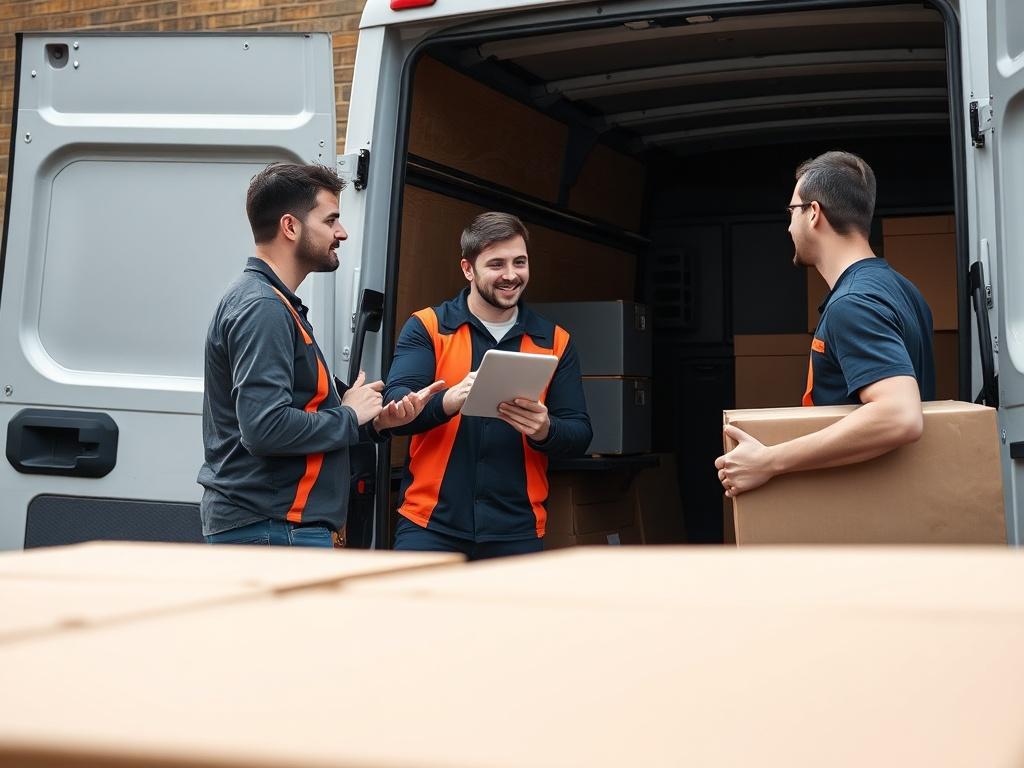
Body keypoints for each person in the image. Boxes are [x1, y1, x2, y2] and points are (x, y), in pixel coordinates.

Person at [198, 163, 441, 546]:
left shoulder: (275, 303)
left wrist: (374, 423)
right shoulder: (262, 307)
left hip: (278, 528)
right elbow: (264, 429)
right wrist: (348, 415)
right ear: (290, 227)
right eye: (331, 220)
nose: (341, 233)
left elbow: (301, 413)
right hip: (273, 528)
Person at [716, 150, 935, 497]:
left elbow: (899, 415)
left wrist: (769, 461)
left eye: (792, 212)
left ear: (813, 213)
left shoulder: (853, 304)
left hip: (865, 510)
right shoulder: (903, 289)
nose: (788, 226)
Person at [383, 212, 592, 559]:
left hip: (518, 529)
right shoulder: (428, 326)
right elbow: (398, 405)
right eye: (497, 264)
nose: (511, 275)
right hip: (429, 525)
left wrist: (545, 429)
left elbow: (580, 434)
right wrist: (449, 400)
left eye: (520, 262)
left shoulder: (555, 340)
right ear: (468, 269)